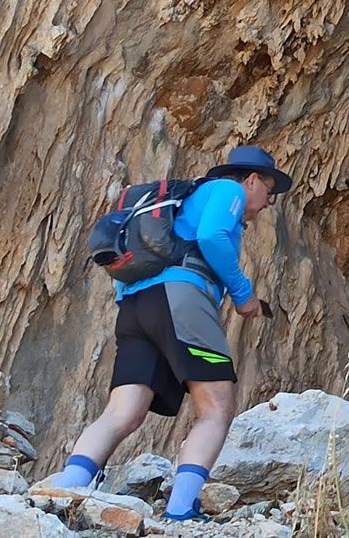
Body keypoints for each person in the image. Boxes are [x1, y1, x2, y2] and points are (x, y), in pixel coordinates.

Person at [47, 145, 292, 521]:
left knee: (124, 410)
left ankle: (69, 488)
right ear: (252, 179)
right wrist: (244, 295)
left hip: (134, 306)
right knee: (216, 408)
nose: (265, 203)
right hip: (181, 301)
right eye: (268, 192)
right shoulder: (228, 190)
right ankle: (181, 510)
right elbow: (212, 237)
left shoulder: (183, 202)